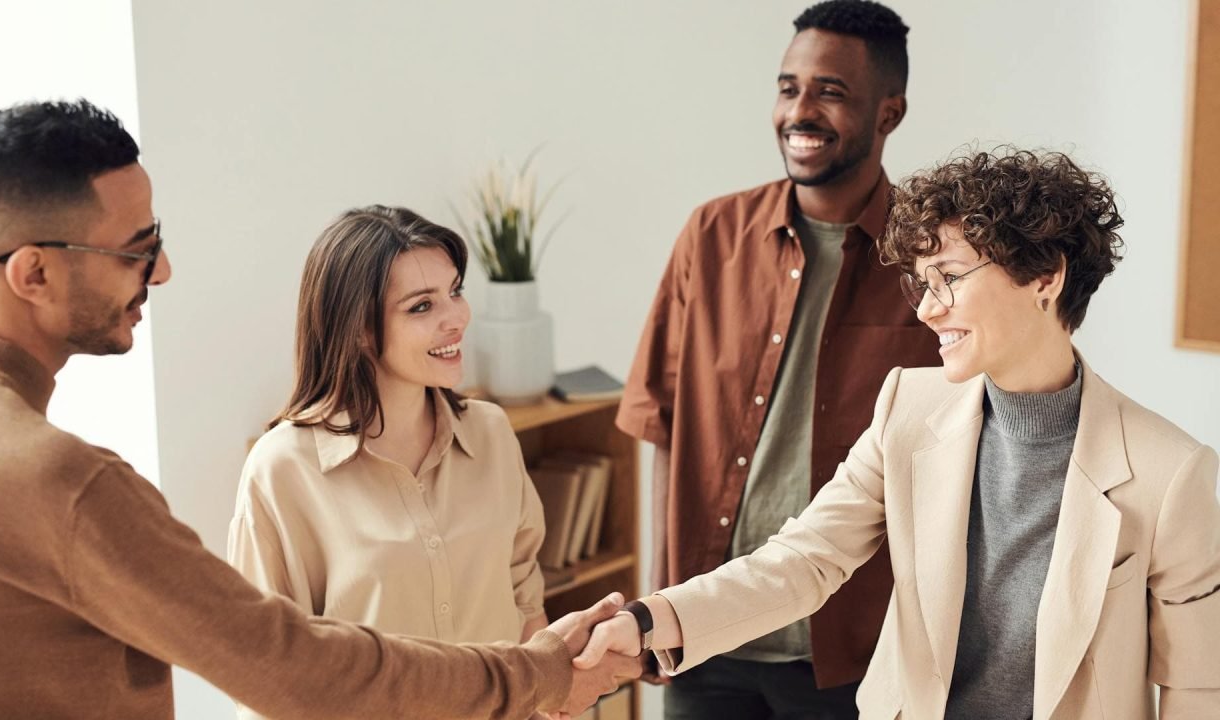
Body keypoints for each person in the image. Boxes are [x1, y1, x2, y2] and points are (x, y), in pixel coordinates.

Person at [0, 98, 639, 719]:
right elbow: (284, 668)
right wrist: (537, 674)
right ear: (32, 272)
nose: (163, 271)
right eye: (137, 250)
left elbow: (520, 589)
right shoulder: (63, 482)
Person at [581, 149, 1220, 718]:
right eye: (923, 281)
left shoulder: (1171, 471)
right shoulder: (906, 409)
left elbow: (1198, 686)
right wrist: (649, 619)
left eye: (951, 276)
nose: (926, 307)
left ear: (1046, 278)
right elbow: (804, 560)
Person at [616, 1, 938, 716]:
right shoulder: (710, 235)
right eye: (789, 87)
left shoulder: (930, 262)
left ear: (890, 114)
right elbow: (664, 429)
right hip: (702, 640)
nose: (800, 111)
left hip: (852, 654)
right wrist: (658, 604)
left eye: (830, 91)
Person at [228, 206, 551, 718]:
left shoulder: (490, 433)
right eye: (422, 306)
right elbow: (265, 669)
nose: (456, 317)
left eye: (455, 290)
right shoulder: (283, 470)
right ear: (358, 328)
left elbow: (524, 593)